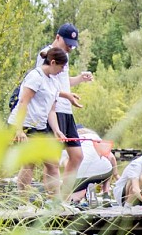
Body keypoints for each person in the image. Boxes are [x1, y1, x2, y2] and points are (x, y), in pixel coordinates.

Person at [37, 23, 94, 202]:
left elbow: (63, 80)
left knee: (77, 156)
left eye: (72, 45)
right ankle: (52, 200)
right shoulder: (46, 54)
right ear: (58, 37)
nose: (70, 47)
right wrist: (66, 95)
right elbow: (44, 84)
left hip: (67, 111)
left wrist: (80, 79)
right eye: (67, 43)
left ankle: (63, 198)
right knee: (52, 160)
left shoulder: (64, 58)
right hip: (53, 110)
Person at [8, 47, 68, 198]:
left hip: (40, 126)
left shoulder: (54, 81)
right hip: (25, 124)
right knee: (29, 163)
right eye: (61, 67)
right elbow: (23, 102)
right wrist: (19, 130)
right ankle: (24, 202)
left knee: (53, 162)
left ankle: (56, 201)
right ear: (53, 62)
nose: (62, 71)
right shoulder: (36, 76)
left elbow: (51, 110)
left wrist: (56, 130)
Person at [58, 127, 119, 207]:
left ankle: (77, 199)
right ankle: (106, 195)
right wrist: (116, 175)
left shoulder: (69, 142)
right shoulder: (95, 139)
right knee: (107, 166)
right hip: (102, 172)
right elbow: (111, 158)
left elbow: (67, 165)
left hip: (80, 174)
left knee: (75, 192)